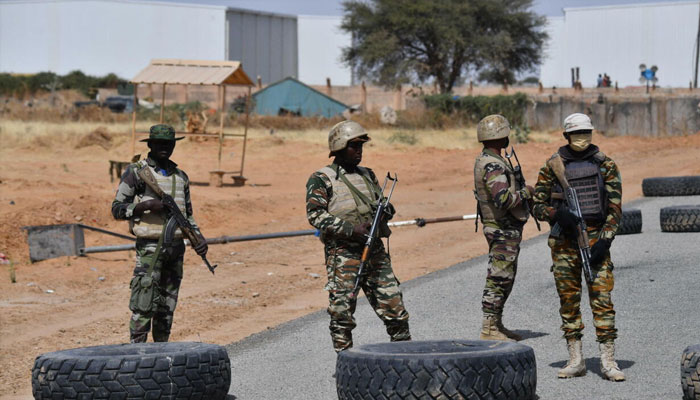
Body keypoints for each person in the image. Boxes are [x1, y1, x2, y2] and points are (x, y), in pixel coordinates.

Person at [532, 113, 625, 381]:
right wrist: (556, 214)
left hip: (595, 237)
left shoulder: (605, 164)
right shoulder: (552, 166)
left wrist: (605, 240)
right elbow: (536, 204)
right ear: (566, 136)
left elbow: (615, 208)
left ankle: (608, 360)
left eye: (585, 133)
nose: (581, 138)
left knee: (602, 299)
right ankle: (576, 359)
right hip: (564, 243)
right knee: (568, 301)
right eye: (576, 134)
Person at [306, 120, 411, 352]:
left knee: (395, 309)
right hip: (343, 256)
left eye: (361, 146)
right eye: (354, 146)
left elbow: (380, 203)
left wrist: (386, 210)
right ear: (340, 147)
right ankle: (345, 363)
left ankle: (405, 358)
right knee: (342, 315)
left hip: (374, 251)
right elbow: (315, 216)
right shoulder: (321, 179)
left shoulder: (367, 175)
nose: (359, 151)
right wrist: (351, 229)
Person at [112, 124, 208, 343]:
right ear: (151, 145)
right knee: (144, 302)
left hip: (175, 249)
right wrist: (146, 206)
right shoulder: (137, 172)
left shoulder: (181, 177)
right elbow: (117, 208)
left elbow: (187, 215)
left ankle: (161, 353)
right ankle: (137, 353)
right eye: (160, 143)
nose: (165, 147)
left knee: (167, 306)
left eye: (169, 143)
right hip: (150, 248)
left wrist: (198, 238)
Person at [473, 114, 534, 341]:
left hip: (504, 228)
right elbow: (504, 200)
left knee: (505, 277)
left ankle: (496, 324)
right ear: (499, 136)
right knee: (498, 277)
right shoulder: (492, 164)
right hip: (501, 228)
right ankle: (489, 328)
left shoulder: (492, 160)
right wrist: (527, 192)